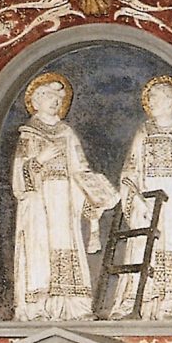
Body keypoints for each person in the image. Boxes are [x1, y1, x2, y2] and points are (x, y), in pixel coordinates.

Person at [10, 72, 116, 321]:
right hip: (38, 202)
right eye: (49, 95)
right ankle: (38, 307)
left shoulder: (67, 133)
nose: (55, 101)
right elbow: (19, 176)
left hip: (65, 200)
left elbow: (80, 168)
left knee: (67, 246)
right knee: (40, 249)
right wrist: (39, 160)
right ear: (36, 101)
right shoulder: (29, 133)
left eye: (59, 97)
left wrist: (95, 190)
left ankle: (73, 307)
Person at [101, 75, 172, 322]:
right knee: (142, 248)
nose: (152, 102)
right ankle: (141, 302)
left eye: (157, 97)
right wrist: (136, 198)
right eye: (150, 98)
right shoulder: (143, 132)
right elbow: (131, 169)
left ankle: (171, 303)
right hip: (147, 198)